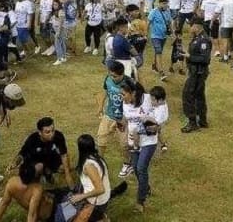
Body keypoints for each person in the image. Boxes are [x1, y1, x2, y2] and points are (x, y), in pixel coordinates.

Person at [121, 81, 163, 214]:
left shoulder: (148, 99)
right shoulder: (125, 103)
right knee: (136, 168)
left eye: (124, 94)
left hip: (148, 141)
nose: (122, 97)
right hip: (134, 142)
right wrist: (122, 128)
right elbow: (127, 119)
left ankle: (140, 202)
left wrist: (158, 125)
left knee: (141, 168)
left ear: (133, 93)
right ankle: (146, 188)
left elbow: (162, 108)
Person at [97, 61, 134, 179]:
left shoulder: (129, 82)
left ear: (122, 74)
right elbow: (105, 92)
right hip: (109, 115)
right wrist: (100, 107)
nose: (112, 78)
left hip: (123, 118)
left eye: (115, 76)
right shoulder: (108, 79)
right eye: (111, 75)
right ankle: (100, 162)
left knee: (124, 144)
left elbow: (133, 100)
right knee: (101, 138)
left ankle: (128, 164)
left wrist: (126, 118)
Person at [16, 117, 74, 189]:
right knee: (38, 168)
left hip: (50, 158)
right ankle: (41, 176)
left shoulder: (58, 136)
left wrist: (68, 175)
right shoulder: (32, 139)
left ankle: (48, 172)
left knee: (66, 166)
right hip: (36, 161)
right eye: (47, 132)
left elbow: (64, 155)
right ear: (40, 132)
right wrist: (16, 162)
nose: (52, 134)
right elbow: (22, 154)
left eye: (53, 130)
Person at [66, 134, 112, 221]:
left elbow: (100, 189)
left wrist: (81, 196)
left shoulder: (89, 166)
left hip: (97, 203)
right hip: (103, 198)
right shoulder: (97, 158)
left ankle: (102, 218)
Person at [180, 17, 212, 133]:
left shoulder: (203, 40)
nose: (189, 28)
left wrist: (190, 57)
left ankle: (192, 122)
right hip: (196, 71)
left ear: (196, 26)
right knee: (199, 96)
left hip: (198, 72)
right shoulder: (197, 37)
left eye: (191, 26)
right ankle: (202, 121)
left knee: (187, 95)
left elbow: (205, 59)